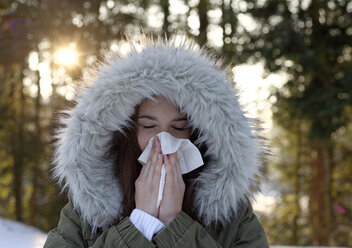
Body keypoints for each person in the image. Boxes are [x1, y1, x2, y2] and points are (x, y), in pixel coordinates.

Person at [44, 36, 269, 247]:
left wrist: (174, 223)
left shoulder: (234, 215)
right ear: (128, 133)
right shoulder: (84, 213)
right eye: (149, 126)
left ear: (199, 134)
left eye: (179, 127)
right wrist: (141, 223)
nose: (163, 140)